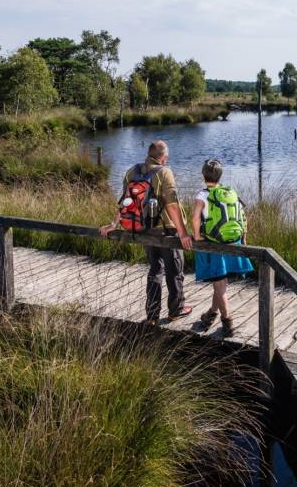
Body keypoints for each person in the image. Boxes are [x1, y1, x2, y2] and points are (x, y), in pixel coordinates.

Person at [99, 140, 193, 324]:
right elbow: (172, 205)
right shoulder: (164, 172)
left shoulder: (132, 171)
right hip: (165, 231)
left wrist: (113, 224)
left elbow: (125, 202)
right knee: (174, 270)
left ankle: (152, 315)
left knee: (155, 270)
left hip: (143, 230)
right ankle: (176, 310)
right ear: (163, 157)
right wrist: (182, 233)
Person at [192, 158, 253, 338]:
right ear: (220, 176)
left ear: (203, 176)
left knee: (219, 285)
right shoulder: (230, 192)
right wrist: (243, 240)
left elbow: (196, 217)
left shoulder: (202, 195)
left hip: (215, 243)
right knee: (221, 284)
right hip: (233, 241)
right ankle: (211, 314)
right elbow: (243, 217)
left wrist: (196, 237)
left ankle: (228, 323)